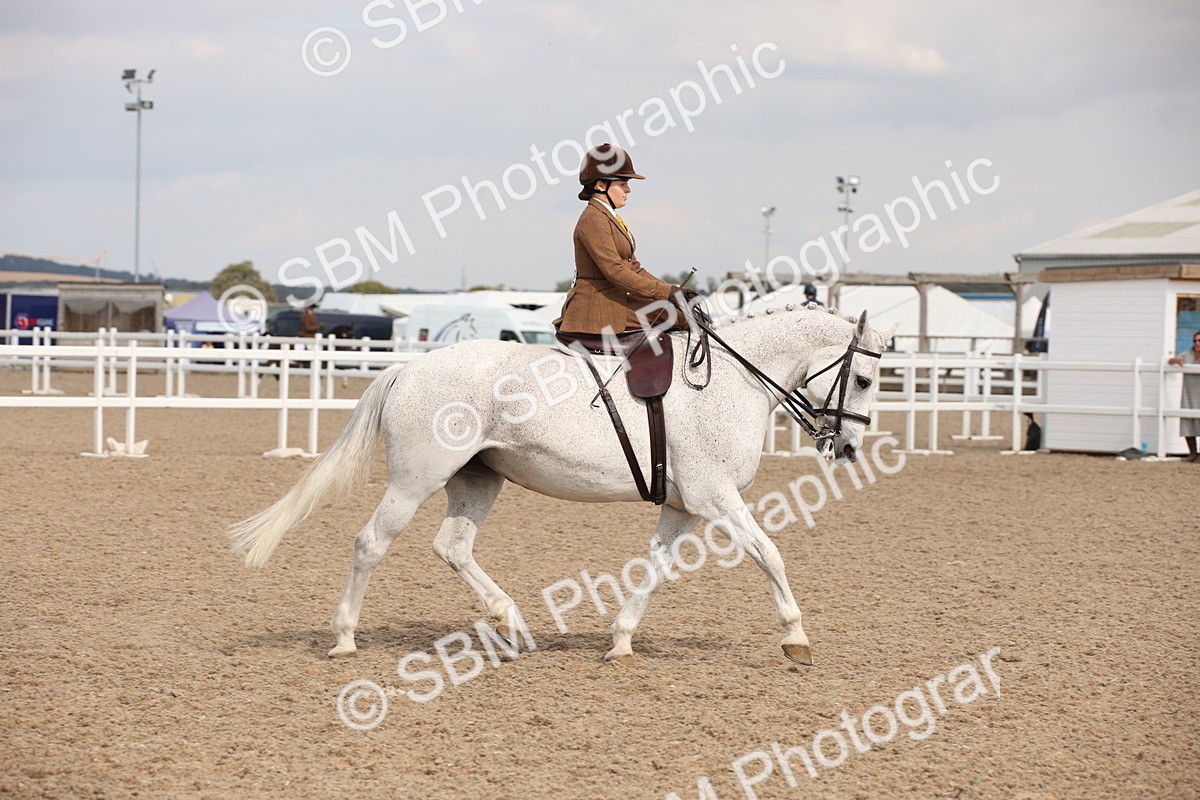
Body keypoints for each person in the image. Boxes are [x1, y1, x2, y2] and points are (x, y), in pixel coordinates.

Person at [554, 143, 689, 335]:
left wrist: (671, 290)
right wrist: (666, 294)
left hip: (616, 299)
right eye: (623, 184)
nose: (628, 190)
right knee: (677, 316)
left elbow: (633, 267)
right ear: (601, 185)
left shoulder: (608, 216)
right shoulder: (593, 220)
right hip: (598, 306)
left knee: (683, 311)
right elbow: (615, 272)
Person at [1168, 330, 1200, 462]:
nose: (1197, 343)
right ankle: (1192, 453)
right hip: (1188, 393)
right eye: (1195, 341)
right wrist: (1175, 360)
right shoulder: (1188, 353)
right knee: (1187, 421)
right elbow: (1171, 361)